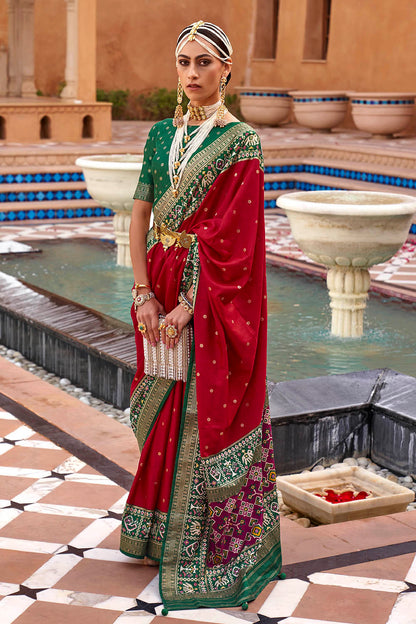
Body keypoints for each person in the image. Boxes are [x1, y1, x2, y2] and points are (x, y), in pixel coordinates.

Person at [120, 20, 282, 613]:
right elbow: (139, 216)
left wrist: (190, 305)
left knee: (199, 409)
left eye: (204, 63)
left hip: (209, 297)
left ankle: (208, 549)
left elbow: (237, 244)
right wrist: (144, 293)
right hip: (156, 283)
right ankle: (157, 531)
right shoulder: (161, 136)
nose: (192, 74)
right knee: (160, 402)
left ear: (227, 70)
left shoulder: (242, 143)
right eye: (183, 63)